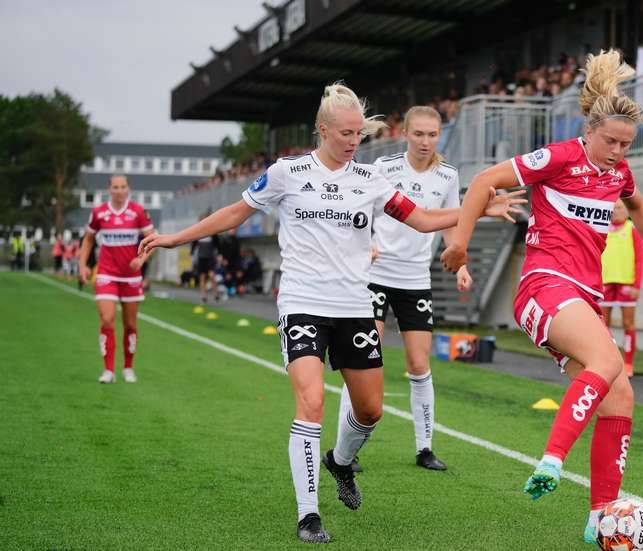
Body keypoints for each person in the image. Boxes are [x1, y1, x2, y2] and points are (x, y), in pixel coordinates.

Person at [138, 83, 524, 545]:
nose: (353, 141)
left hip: (355, 307)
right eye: (345, 133)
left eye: (359, 134)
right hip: (302, 303)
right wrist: (175, 238)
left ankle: (340, 461)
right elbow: (235, 213)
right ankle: (309, 514)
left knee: (371, 410)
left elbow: (422, 219)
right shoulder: (287, 172)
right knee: (312, 401)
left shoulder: (370, 180)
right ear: (322, 130)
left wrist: (477, 210)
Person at [440, 50, 643, 544]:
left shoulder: (619, 173)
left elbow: (639, 207)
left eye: (626, 144)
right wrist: (459, 244)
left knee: (621, 394)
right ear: (589, 131)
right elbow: (483, 181)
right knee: (608, 360)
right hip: (544, 286)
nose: (617, 151)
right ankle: (552, 459)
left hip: (582, 298)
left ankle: (600, 515)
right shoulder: (560, 156)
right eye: (610, 141)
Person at [336, 105, 467, 472]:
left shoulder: (448, 175)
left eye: (432, 134)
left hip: (416, 279)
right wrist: (366, 244)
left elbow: (449, 223)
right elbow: (361, 211)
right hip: (376, 275)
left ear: (440, 135)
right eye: (418, 134)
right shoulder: (384, 168)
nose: (425, 141)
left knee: (419, 364)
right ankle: (348, 449)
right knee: (363, 359)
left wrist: (460, 262)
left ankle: (425, 448)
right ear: (405, 133)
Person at [78, 175, 155, 384]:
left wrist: (141, 259)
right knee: (106, 319)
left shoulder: (138, 211)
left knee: (130, 324)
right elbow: (88, 239)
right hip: (106, 274)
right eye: (115, 187)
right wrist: (82, 265)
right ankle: (108, 370)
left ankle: (128, 368)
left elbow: (152, 240)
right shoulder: (99, 212)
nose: (119, 191)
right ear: (109, 189)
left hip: (131, 277)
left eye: (122, 187)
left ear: (128, 189)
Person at [599, 199, 643, 378]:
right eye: (613, 208)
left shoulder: (632, 229)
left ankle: (628, 363)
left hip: (627, 284)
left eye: (619, 208)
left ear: (626, 210)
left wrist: (637, 285)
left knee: (628, 324)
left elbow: (639, 259)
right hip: (605, 284)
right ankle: (608, 361)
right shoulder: (603, 228)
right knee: (603, 326)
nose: (615, 211)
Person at [190, 221, 218, 303]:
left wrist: (219, 255)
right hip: (201, 258)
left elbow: (218, 245)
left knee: (212, 275)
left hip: (210, 258)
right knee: (202, 277)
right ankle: (204, 296)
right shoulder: (198, 233)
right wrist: (192, 255)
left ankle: (216, 294)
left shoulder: (213, 232)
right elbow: (193, 245)